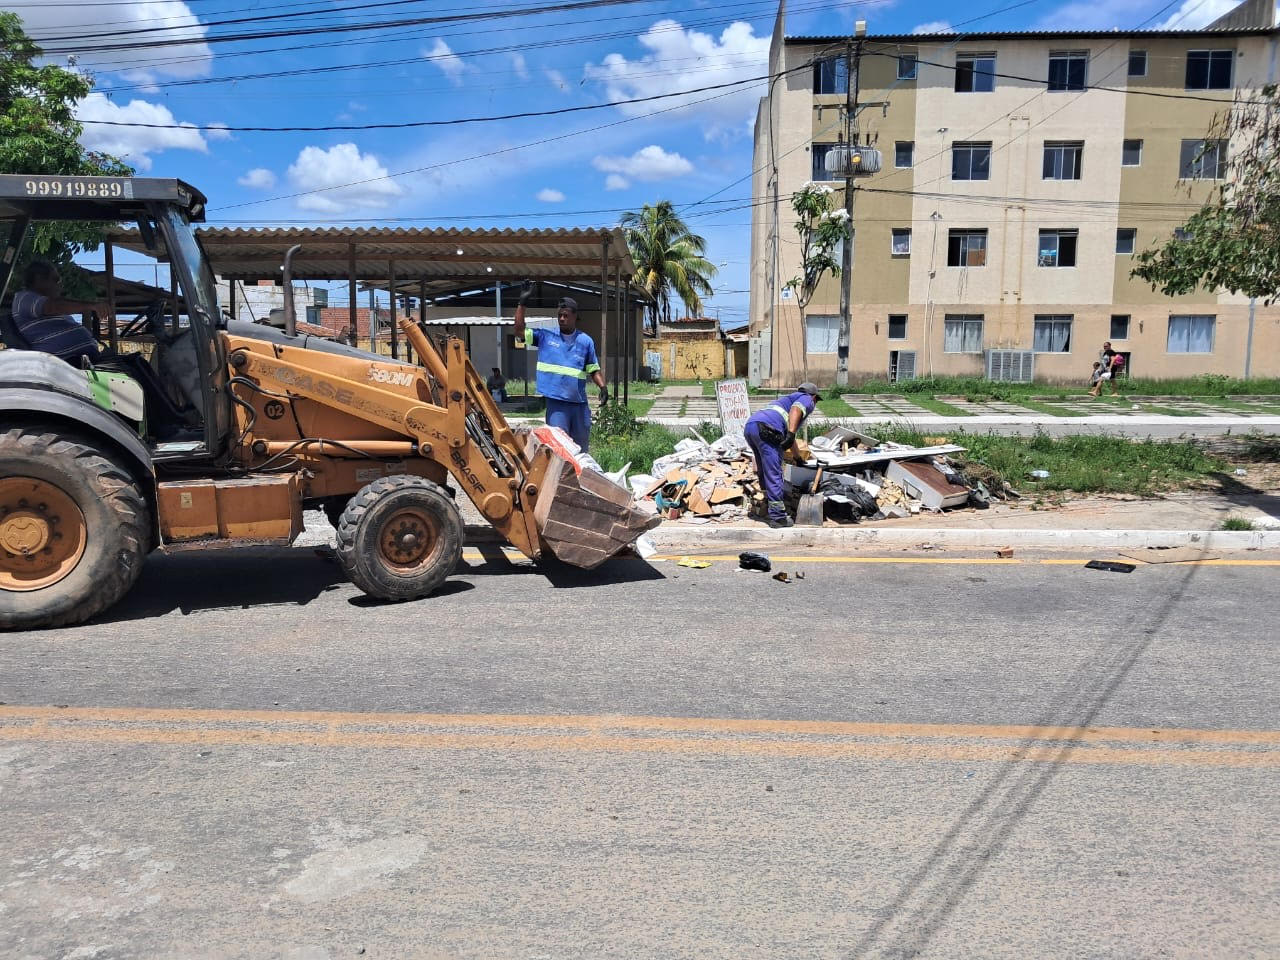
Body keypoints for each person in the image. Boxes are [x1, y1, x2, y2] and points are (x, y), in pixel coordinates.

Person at [513, 280, 607, 452]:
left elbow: (593, 368)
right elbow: (519, 331)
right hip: (557, 405)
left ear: (574, 316)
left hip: (579, 404)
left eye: (566, 315)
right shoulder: (545, 336)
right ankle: (561, 479)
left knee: (580, 449)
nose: (562, 318)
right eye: (560, 315)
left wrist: (603, 387)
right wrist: (522, 303)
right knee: (559, 448)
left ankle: (581, 478)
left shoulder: (585, 341)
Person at [744, 382, 821, 529]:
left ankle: (766, 505)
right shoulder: (807, 399)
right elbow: (797, 409)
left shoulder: (784, 400)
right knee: (774, 473)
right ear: (815, 397)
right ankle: (778, 517)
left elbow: (789, 439)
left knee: (764, 470)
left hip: (751, 427)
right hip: (767, 429)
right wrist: (791, 434)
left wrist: (798, 458)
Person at [10, 258, 113, 363]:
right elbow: (54, 306)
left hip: (82, 361)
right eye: (56, 280)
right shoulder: (25, 298)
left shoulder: (48, 311)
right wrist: (92, 306)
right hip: (64, 365)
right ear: (39, 279)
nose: (60, 285)